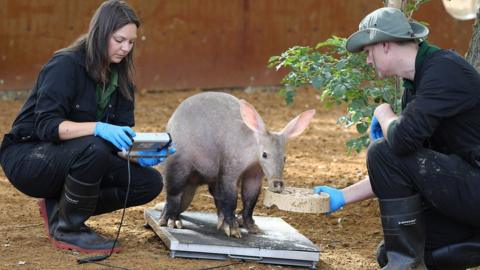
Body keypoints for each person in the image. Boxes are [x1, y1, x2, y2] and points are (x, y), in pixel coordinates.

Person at [0, 0, 174, 254]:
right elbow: (47, 126)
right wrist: (98, 127)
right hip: (30, 158)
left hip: (80, 157)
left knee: (148, 182)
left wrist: (139, 153)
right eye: (119, 40)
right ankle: (68, 230)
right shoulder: (65, 64)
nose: (126, 48)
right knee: (94, 145)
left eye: (131, 42)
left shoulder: (122, 79)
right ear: (101, 33)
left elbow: (116, 141)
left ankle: (61, 210)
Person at [314, 7, 480, 270]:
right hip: (466, 191)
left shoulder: (444, 70)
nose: (368, 60)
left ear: (386, 45)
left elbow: (398, 144)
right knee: (389, 254)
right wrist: (342, 196)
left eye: (369, 52)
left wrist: (384, 114)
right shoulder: (415, 85)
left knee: (382, 152)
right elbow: (407, 163)